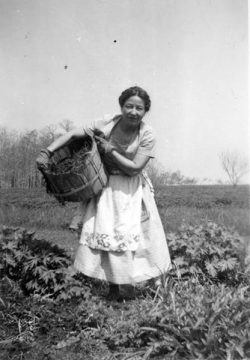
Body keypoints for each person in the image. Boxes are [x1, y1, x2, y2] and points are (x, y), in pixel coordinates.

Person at [36, 86, 171, 301]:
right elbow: (72, 134)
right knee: (106, 233)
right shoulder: (107, 123)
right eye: (129, 106)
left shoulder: (146, 133)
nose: (133, 112)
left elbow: (135, 167)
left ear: (145, 111)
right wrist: (47, 152)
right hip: (107, 187)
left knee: (140, 237)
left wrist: (110, 151)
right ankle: (114, 289)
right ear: (121, 106)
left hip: (133, 189)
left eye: (139, 108)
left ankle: (143, 288)